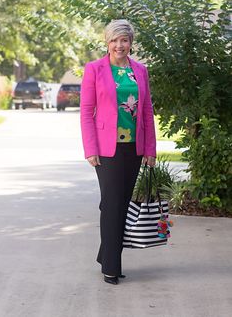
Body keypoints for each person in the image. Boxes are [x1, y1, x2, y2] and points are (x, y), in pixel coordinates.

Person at [80, 19, 156, 285]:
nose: (119, 45)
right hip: (106, 148)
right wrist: (90, 148)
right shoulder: (94, 69)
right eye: (114, 40)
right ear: (107, 42)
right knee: (112, 203)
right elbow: (86, 112)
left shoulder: (140, 71)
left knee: (120, 204)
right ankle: (111, 267)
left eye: (124, 40)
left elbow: (146, 110)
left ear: (131, 43)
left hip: (134, 146)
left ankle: (107, 254)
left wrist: (150, 149)